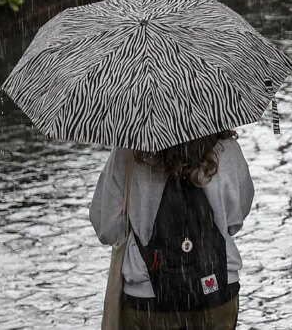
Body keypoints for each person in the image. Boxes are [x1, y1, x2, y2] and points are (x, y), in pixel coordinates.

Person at [90, 130, 254, 330]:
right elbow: (237, 217)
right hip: (218, 292)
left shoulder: (128, 153)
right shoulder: (227, 149)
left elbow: (107, 229)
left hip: (148, 299)